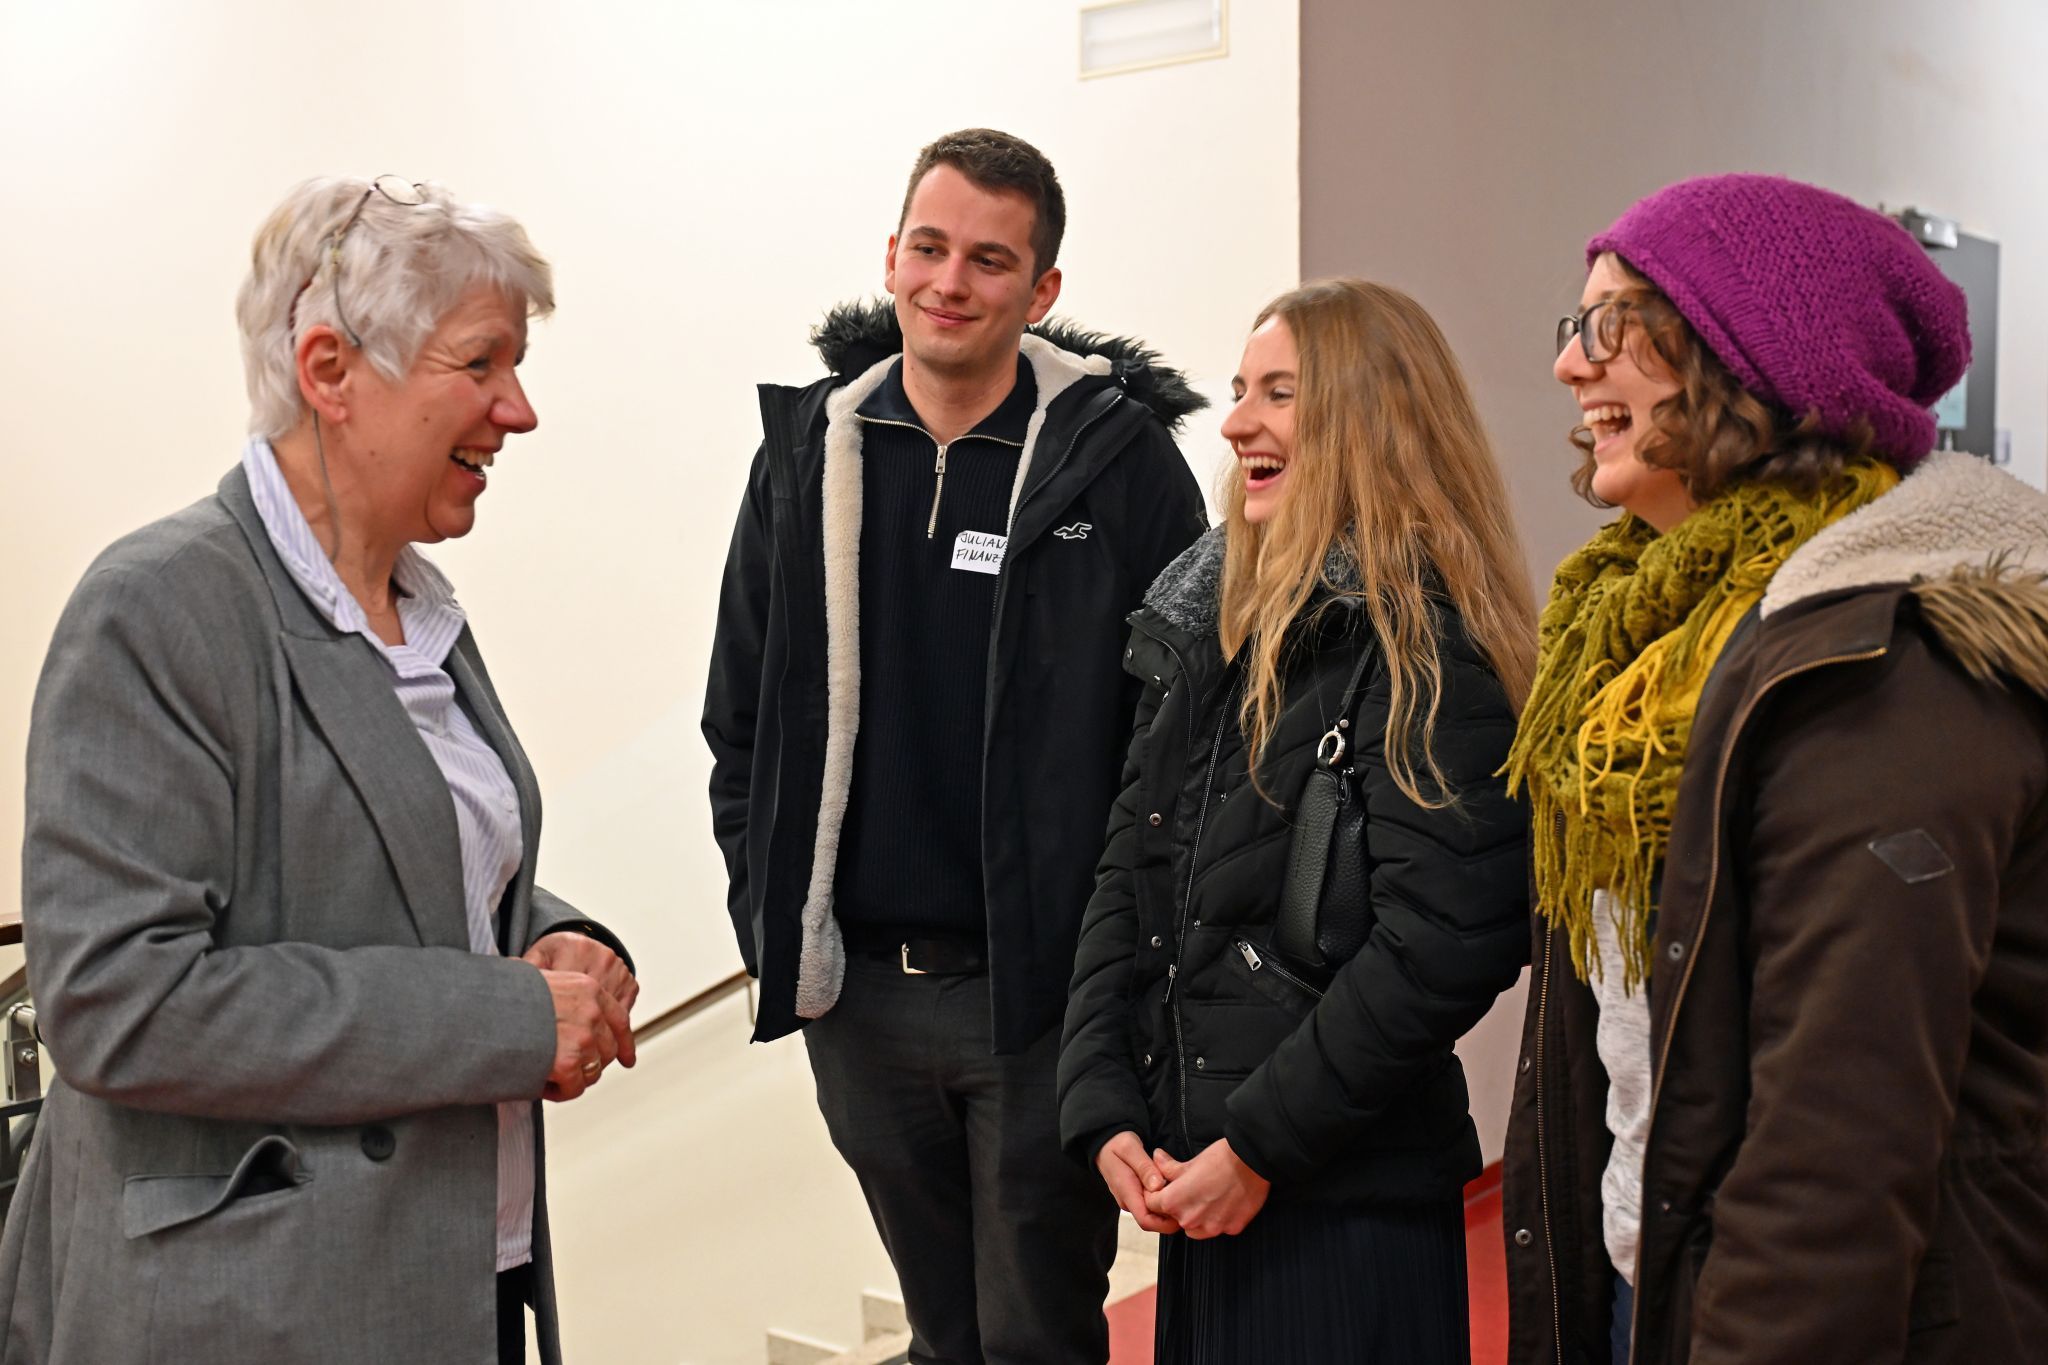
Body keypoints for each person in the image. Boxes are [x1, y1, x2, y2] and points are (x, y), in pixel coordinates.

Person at [0, 176, 638, 1365]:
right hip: (254, 1313)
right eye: (482, 364)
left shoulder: (417, 607)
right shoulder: (160, 606)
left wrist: (552, 938)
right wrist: (504, 1016)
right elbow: (116, 1003)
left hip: (455, 1274)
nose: (520, 409)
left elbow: (391, 864)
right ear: (331, 370)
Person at [1501, 173, 2048, 1365]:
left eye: (1614, 324)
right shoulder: (1633, 641)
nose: (1569, 367)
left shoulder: (1876, 667)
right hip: (1645, 1264)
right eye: (1573, 327)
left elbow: (1833, 1157)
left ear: (1749, 357)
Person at [702, 127, 1207, 1362]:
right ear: (889, 257)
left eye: (988, 261)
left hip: (1039, 1002)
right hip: (858, 1002)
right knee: (939, 1332)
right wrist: (769, 913)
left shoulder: (1121, 467)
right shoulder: (807, 456)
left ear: (1039, 292)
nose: (948, 282)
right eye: (928, 249)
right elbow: (741, 722)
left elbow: (1185, 741)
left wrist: (1122, 978)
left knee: (1036, 1327)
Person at [1059, 278, 1536, 1362]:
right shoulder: (1210, 627)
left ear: (1370, 417)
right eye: (1238, 391)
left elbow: (1446, 940)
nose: (1234, 423)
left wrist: (1260, 1146)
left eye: (1279, 393)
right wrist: (1100, 1104)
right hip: (1205, 1188)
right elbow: (1125, 874)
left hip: (1338, 1209)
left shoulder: (1426, 648)